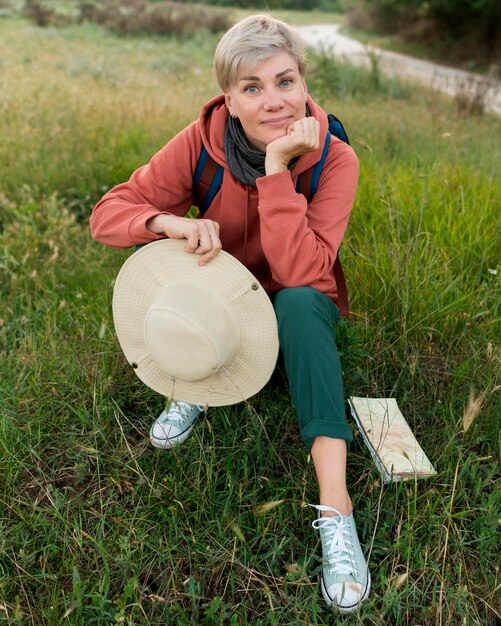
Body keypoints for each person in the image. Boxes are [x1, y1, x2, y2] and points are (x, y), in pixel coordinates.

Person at [90, 14, 370, 613]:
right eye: (252, 87)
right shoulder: (202, 140)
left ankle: (336, 506)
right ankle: (194, 375)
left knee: (297, 302)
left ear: (303, 83)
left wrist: (276, 171)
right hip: (219, 299)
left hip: (290, 301)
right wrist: (169, 221)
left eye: (285, 81)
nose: (274, 101)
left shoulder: (334, 159)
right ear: (229, 98)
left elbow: (305, 272)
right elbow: (110, 210)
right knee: (167, 246)